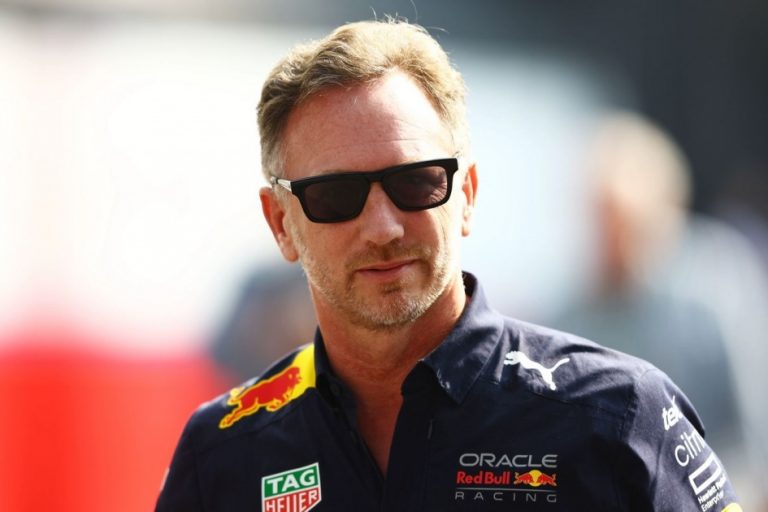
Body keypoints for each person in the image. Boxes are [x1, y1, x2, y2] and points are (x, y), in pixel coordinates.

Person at [155, 19, 742, 511]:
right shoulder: (222, 454)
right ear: (281, 223)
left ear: (468, 195)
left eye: (416, 182)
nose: (383, 227)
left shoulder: (620, 416)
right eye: (335, 196)